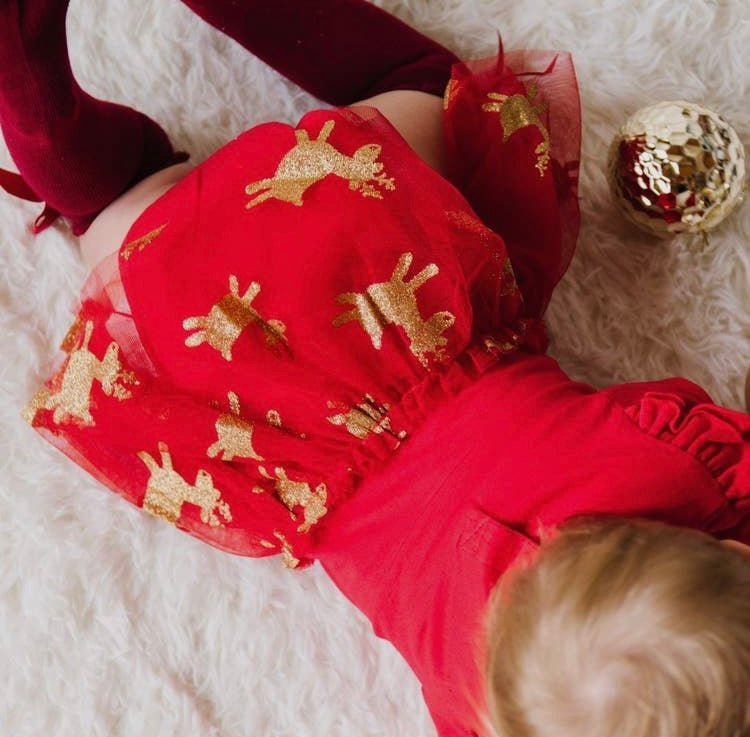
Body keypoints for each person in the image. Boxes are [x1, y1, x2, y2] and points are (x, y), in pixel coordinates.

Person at [2, 2, 749, 737]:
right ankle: (45, 115)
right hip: (253, 378)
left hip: (385, 270)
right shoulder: (469, 697)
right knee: (113, 224)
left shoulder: (682, 469)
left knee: (435, 89)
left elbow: (701, 427)